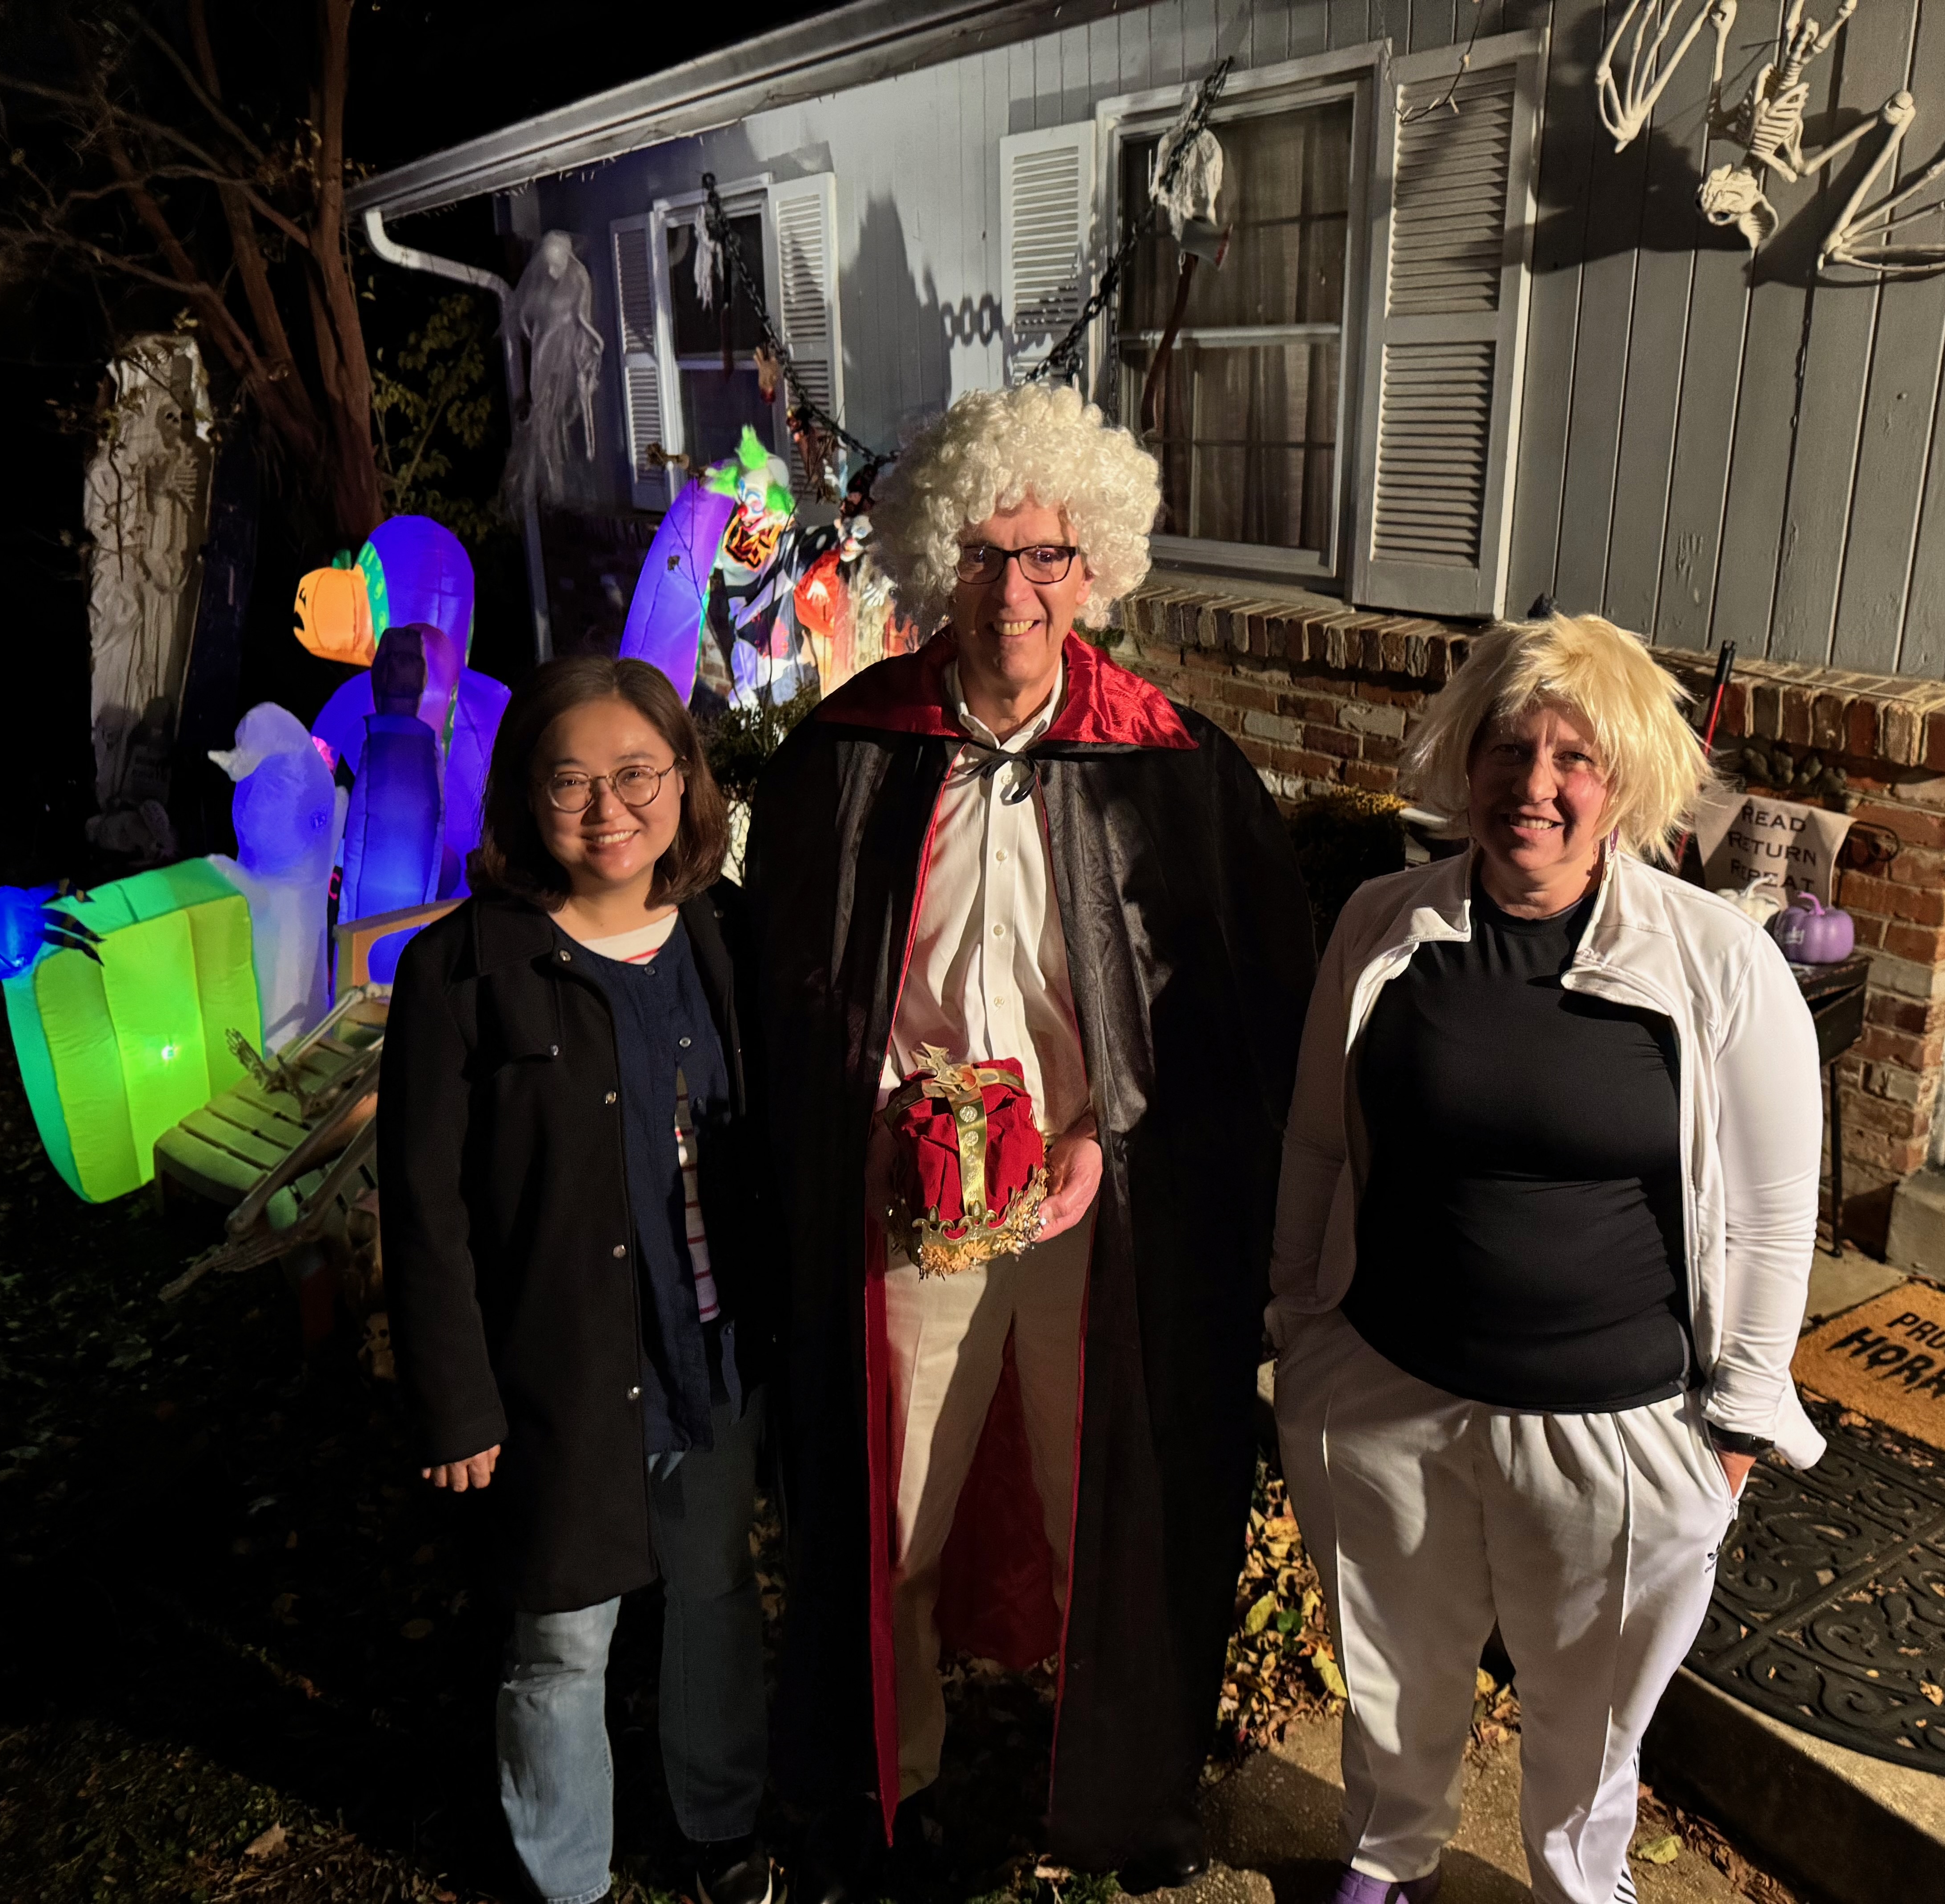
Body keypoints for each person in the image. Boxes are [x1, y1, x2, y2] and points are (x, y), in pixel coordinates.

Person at [742, 383, 1316, 1896]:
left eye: (1047, 555)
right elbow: (794, 993)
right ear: (946, 563)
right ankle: (890, 1787)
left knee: (1108, 1515)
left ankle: (1119, 1795)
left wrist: (1109, 1144)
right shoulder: (850, 758)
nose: (1016, 590)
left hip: (1092, 1217)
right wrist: (863, 1124)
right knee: (893, 1523)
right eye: (989, 558)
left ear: (1093, 565)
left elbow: (1230, 1022)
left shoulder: (1171, 769)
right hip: (903, 1215)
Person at [1266, 613, 1824, 1904]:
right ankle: (1386, 1855)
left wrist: (1735, 1424)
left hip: (1621, 1427)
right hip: (1389, 1390)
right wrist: (1302, 1324)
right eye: (1508, 747)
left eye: (1575, 756)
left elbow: (1772, 1211)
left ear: (1622, 781)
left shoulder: (1719, 962)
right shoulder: (1378, 921)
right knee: (1395, 1661)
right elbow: (1313, 1143)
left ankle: (1581, 1882)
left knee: (1592, 1714)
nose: (1536, 783)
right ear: (1464, 763)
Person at [382, 656, 776, 1904]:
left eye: (636, 774)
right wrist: (456, 1402)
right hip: (559, 1370)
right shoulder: (463, 973)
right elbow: (423, 1206)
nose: (609, 808)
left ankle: (720, 1825)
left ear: (684, 782)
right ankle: (568, 1878)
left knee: (714, 1587)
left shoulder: (726, 934)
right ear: (523, 795)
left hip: (709, 1346)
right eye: (571, 781)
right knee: (561, 1636)